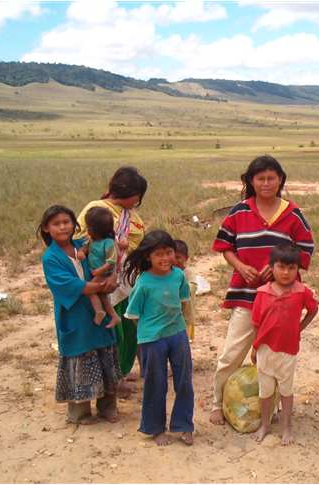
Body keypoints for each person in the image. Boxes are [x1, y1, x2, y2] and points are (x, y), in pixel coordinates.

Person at [209, 155, 314, 426]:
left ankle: (272, 406)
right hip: (246, 295)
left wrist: (278, 269)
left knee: (274, 355)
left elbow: (305, 251)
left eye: (271, 178)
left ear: (280, 180)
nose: (266, 183)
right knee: (233, 352)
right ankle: (217, 403)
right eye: (260, 178)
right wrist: (241, 266)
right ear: (251, 181)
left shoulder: (292, 214)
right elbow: (225, 246)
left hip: (281, 300)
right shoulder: (239, 212)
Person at [38, 205, 121, 425]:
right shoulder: (51, 258)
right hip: (74, 314)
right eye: (57, 223)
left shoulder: (84, 245)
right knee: (78, 358)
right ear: (47, 228)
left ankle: (108, 407)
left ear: (75, 224)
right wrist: (103, 284)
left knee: (104, 354)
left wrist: (111, 278)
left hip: (96, 309)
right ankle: (80, 412)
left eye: (67, 222)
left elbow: (109, 257)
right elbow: (73, 286)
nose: (63, 227)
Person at [75, 166, 147, 394]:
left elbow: (137, 243)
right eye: (137, 196)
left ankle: (122, 372)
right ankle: (113, 379)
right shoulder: (96, 210)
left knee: (128, 328)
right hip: (104, 281)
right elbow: (83, 241)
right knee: (113, 331)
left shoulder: (130, 215)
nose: (138, 201)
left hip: (127, 280)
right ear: (130, 193)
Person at [123, 230, 194, 446]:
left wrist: (178, 326)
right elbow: (134, 315)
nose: (165, 259)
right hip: (152, 339)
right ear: (148, 257)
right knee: (156, 383)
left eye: (169, 252)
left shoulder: (179, 276)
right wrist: (150, 332)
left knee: (184, 381)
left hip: (178, 334)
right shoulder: (143, 283)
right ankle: (155, 429)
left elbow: (182, 303)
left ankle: (184, 425)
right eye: (158, 254)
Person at [249, 244, 318, 445]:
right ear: (271, 268)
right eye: (281, 267)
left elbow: (313, 310)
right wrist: (254, 347)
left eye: (292, 268)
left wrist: (299, 328)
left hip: (288, 350)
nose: (286, 273)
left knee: (286, 391)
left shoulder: (302, 292)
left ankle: (286, 427)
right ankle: (265, 425)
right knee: (265, 391)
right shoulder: (262, 292)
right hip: (265, 349)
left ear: (298, 269)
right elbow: (256, 323)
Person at [77, 206, 121, 327]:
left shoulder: (108, 242)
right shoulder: (91, 240)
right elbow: (85, 248)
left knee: (90, 290)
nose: (86, 229)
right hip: (98, 272)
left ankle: (99, 311)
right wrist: (81, 252)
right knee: (102, 295)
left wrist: (99, 271)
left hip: (103, 274)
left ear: (96, 229)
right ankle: (114, 316)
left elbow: (111, 261)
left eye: (88, 227)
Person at [174, 239, 196, 342]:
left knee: (183, 341)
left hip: (185, 317)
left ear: (186, 258)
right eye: (172, 256)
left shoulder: (188, 273)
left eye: (178, 257)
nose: (175, 260)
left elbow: (192, 287)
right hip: (171, 317)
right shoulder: (168, 273)